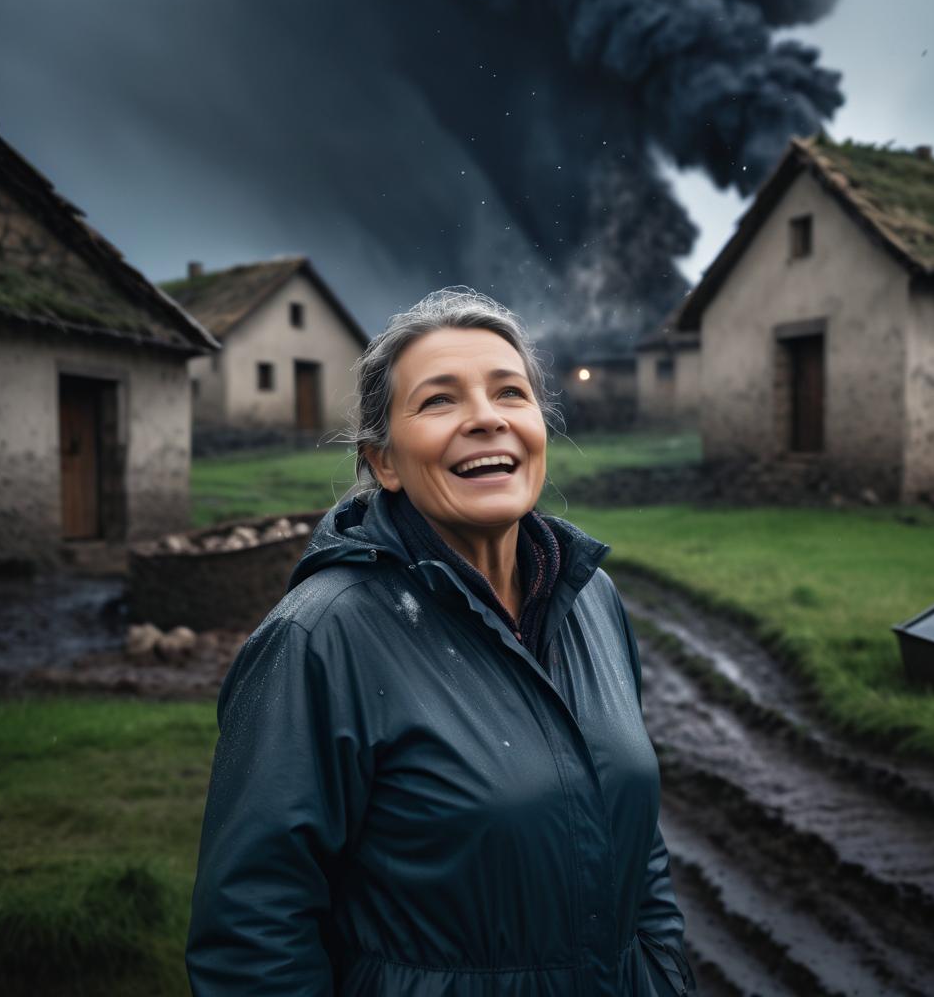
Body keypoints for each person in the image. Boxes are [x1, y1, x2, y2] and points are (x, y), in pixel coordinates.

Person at [186, 287, 696, 996]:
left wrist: (666, 975)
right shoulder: (319, 641)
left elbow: (639, 855)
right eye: (439, 401)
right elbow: (252, 935)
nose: (486, 419)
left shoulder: (592, 601)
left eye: (510, 393)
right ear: (384, 462)